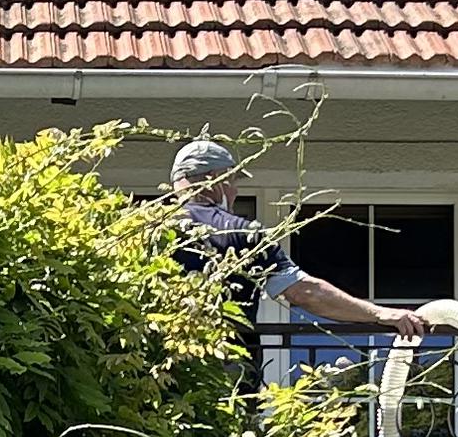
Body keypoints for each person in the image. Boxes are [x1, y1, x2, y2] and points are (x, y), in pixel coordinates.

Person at [167, 139, 432, 342]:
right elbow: (305, 292)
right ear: (216, 179)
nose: (235, 191)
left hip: (148, 383)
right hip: (226, 374)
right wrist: (380, 314)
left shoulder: (146, 229)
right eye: (232, 180)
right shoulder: (241, 232)